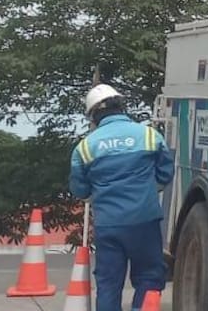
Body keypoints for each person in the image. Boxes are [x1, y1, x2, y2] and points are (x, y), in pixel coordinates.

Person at [70, 84, 174, 311]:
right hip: (144, 221)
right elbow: (165, 173)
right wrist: (147, 190)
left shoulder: (85, 147)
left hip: (108, 225)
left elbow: (80, 190)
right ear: (122, 107)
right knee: (149, 277)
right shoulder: (148, 135)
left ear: (93, 115)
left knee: (108, 284)